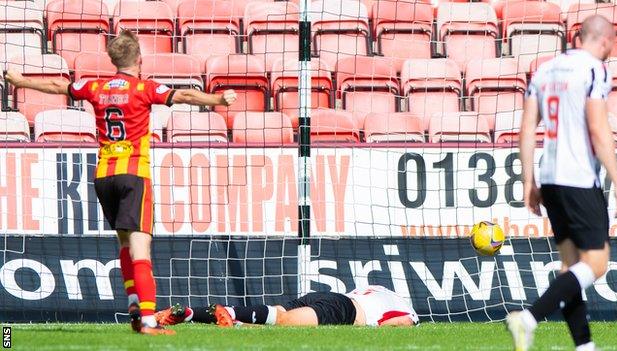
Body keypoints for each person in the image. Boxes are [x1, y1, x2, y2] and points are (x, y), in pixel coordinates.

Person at [4, 30, 237, 335]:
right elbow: (185, 95)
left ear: (113, 60)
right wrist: (217, 99)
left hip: (104, 176)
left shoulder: (95, 86)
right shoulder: (143, 88)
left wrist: (20, 81)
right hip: (133, 175)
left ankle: (132, 304)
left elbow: (56, 84)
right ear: (139, 59)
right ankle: (149, 321)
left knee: (125, 244)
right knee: (142, 248)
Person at [510, 14, 617, 351]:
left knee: (570, 267)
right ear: (605, 41)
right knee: (597, 264)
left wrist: (529, 179)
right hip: (578, 178)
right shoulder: (595, 69)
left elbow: (527, 129)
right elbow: (598, 130)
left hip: (550, 177)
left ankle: (584, 347)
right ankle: (528, 318)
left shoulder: (544, 70)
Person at [155, 285, 419, 327]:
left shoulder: (381, 290)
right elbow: (403, 323)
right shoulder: (409, 312)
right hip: (344, 309)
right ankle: (235, 324)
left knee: (276, 315)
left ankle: (189, 313)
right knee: (285, 323)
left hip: (326, 296)